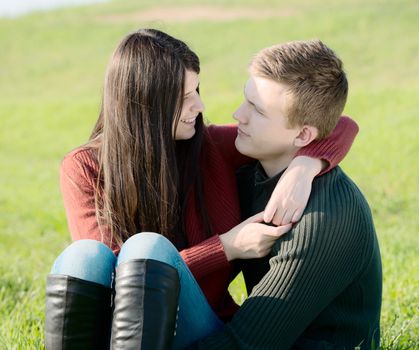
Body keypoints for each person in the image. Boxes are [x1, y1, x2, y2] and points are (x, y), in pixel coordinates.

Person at [44, 29, 358, 350]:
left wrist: (305, 168)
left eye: (197, 90)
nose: (199, 105)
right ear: (146, 105)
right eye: (184, 98)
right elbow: (115, 283)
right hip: (117, 329)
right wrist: (225, 247)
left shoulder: (212, 147)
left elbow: (336, 124)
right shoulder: (84, 166)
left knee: (146, 249)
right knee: (86, 256)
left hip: (201, 325)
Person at [191, 40, 382, 349]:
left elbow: (246, 344)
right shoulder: (248, 175)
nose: (238, 114)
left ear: (304, 135)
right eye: (246, 100)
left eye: (258, 111)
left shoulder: (323, 218)